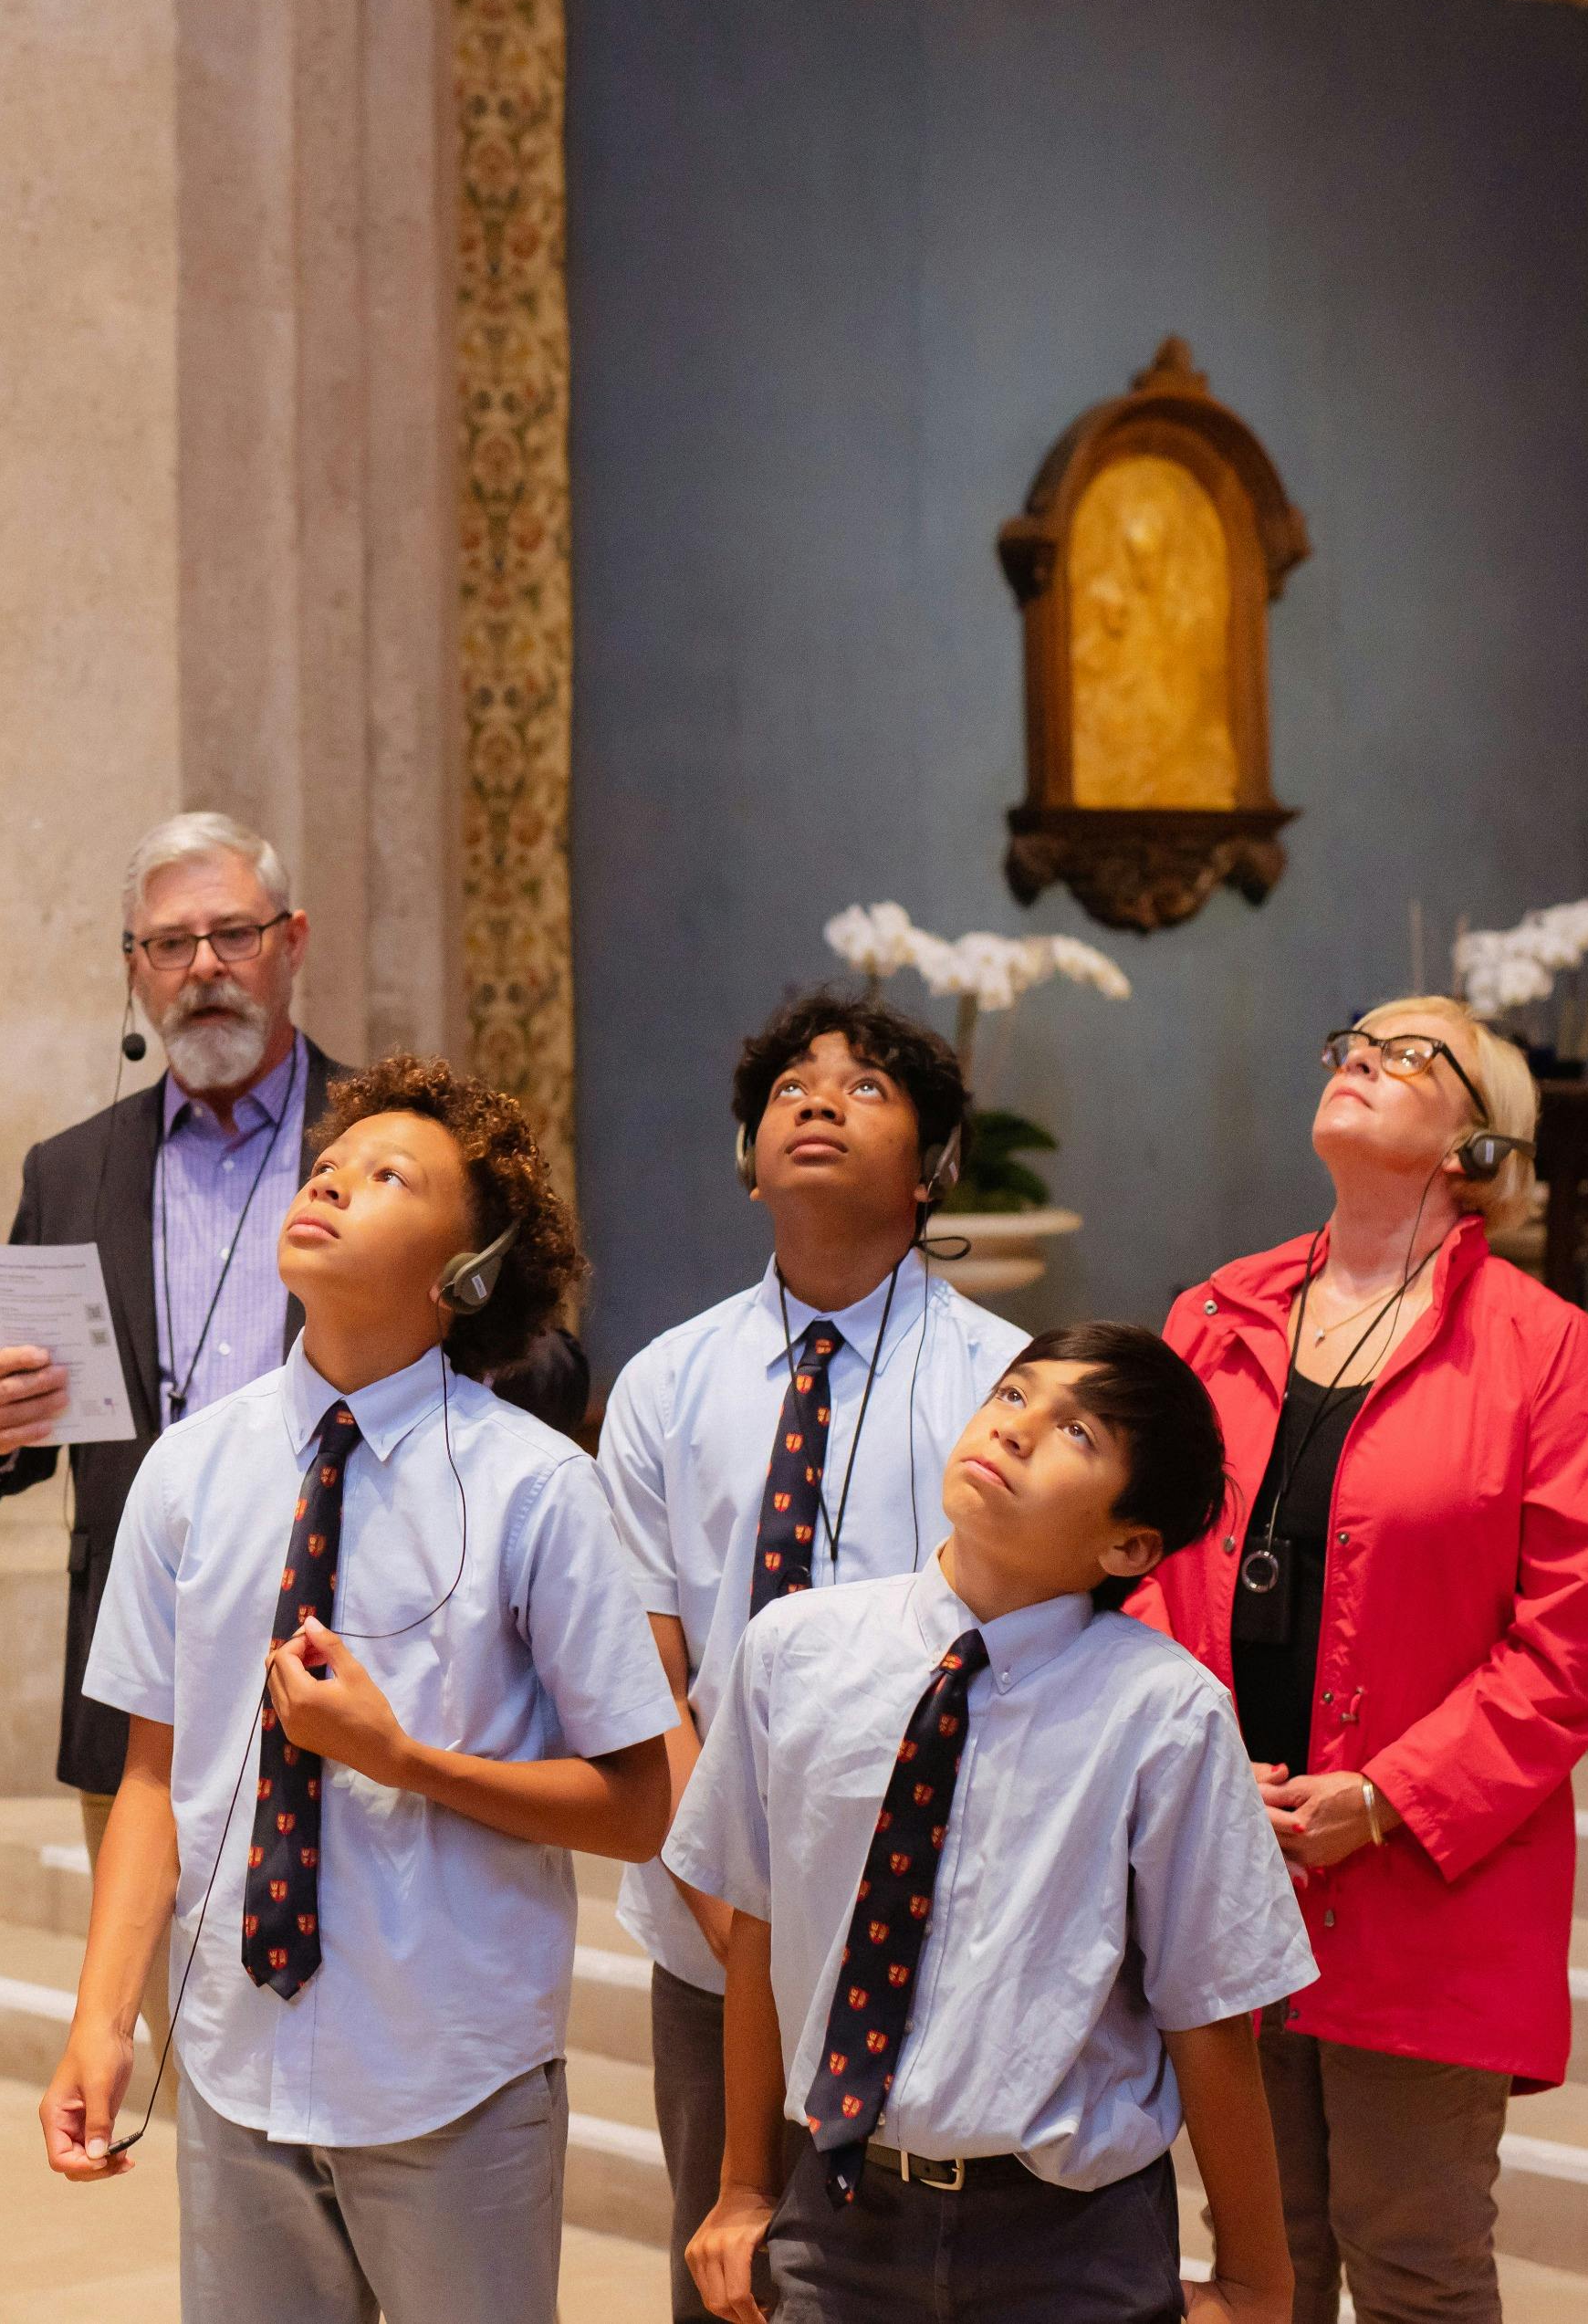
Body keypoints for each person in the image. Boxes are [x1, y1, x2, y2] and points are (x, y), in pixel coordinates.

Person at [40, 1053, 678, 2324]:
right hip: (234, 2057)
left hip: (452, 2065)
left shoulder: (534, 1487)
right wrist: (103, 2016)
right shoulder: (190, 1469)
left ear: (470, 1272)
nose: (332, 1181)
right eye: (329, 1164)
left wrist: (406, 1759)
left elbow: (639, 1807)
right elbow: (154, 1776)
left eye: (391, 1177)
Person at [1135, 1000, 1588, 2324]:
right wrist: (1187, 1766)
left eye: (1415, 1052)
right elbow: (1131, 1562)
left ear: (1482, 1143)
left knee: (1414, 2260)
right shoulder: (1212, 1314)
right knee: (1261, 2262)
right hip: (1226, 1854)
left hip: (1430, 1871)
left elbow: (1570, 1650)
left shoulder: (1547, 1352)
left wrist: (1387, 1796)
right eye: (1352, 1039)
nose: (1364, 1056)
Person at [669, 1324, 1313, 2324]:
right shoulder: (796, 1648)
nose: (1015, 1430)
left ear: (1128, 1545)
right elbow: (761, 1925)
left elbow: (1210, 2008)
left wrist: (1257, 2282)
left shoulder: (1164, 1712)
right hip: (839, 2211)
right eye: (1014, 1396)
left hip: (1069, 2240)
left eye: (1077, 1433)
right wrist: (747, 2185)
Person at [598, 987, 1028, 2323]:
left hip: (938, 1903)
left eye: (866, 1087)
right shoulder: (668, 1381)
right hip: (708, 1917)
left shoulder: (1003, 1383)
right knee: (732, 2269)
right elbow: (645, 1668)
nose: (819, 1100)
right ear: (748, 1156)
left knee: (927, 2275)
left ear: (937, 1163)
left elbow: (1025, 1658)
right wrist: (719, 1884)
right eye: (790, 1087)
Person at [0, 811, 349, 1855]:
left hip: (345, 1628)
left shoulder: (387, 1136)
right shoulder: (70, 1171)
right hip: (139, 1662)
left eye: (235, 936)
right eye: (170, 944)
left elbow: (527, 1364)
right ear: (134, 969)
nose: (204, 968)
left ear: (292, 943)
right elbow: (10, 1446)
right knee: (152, 1989)